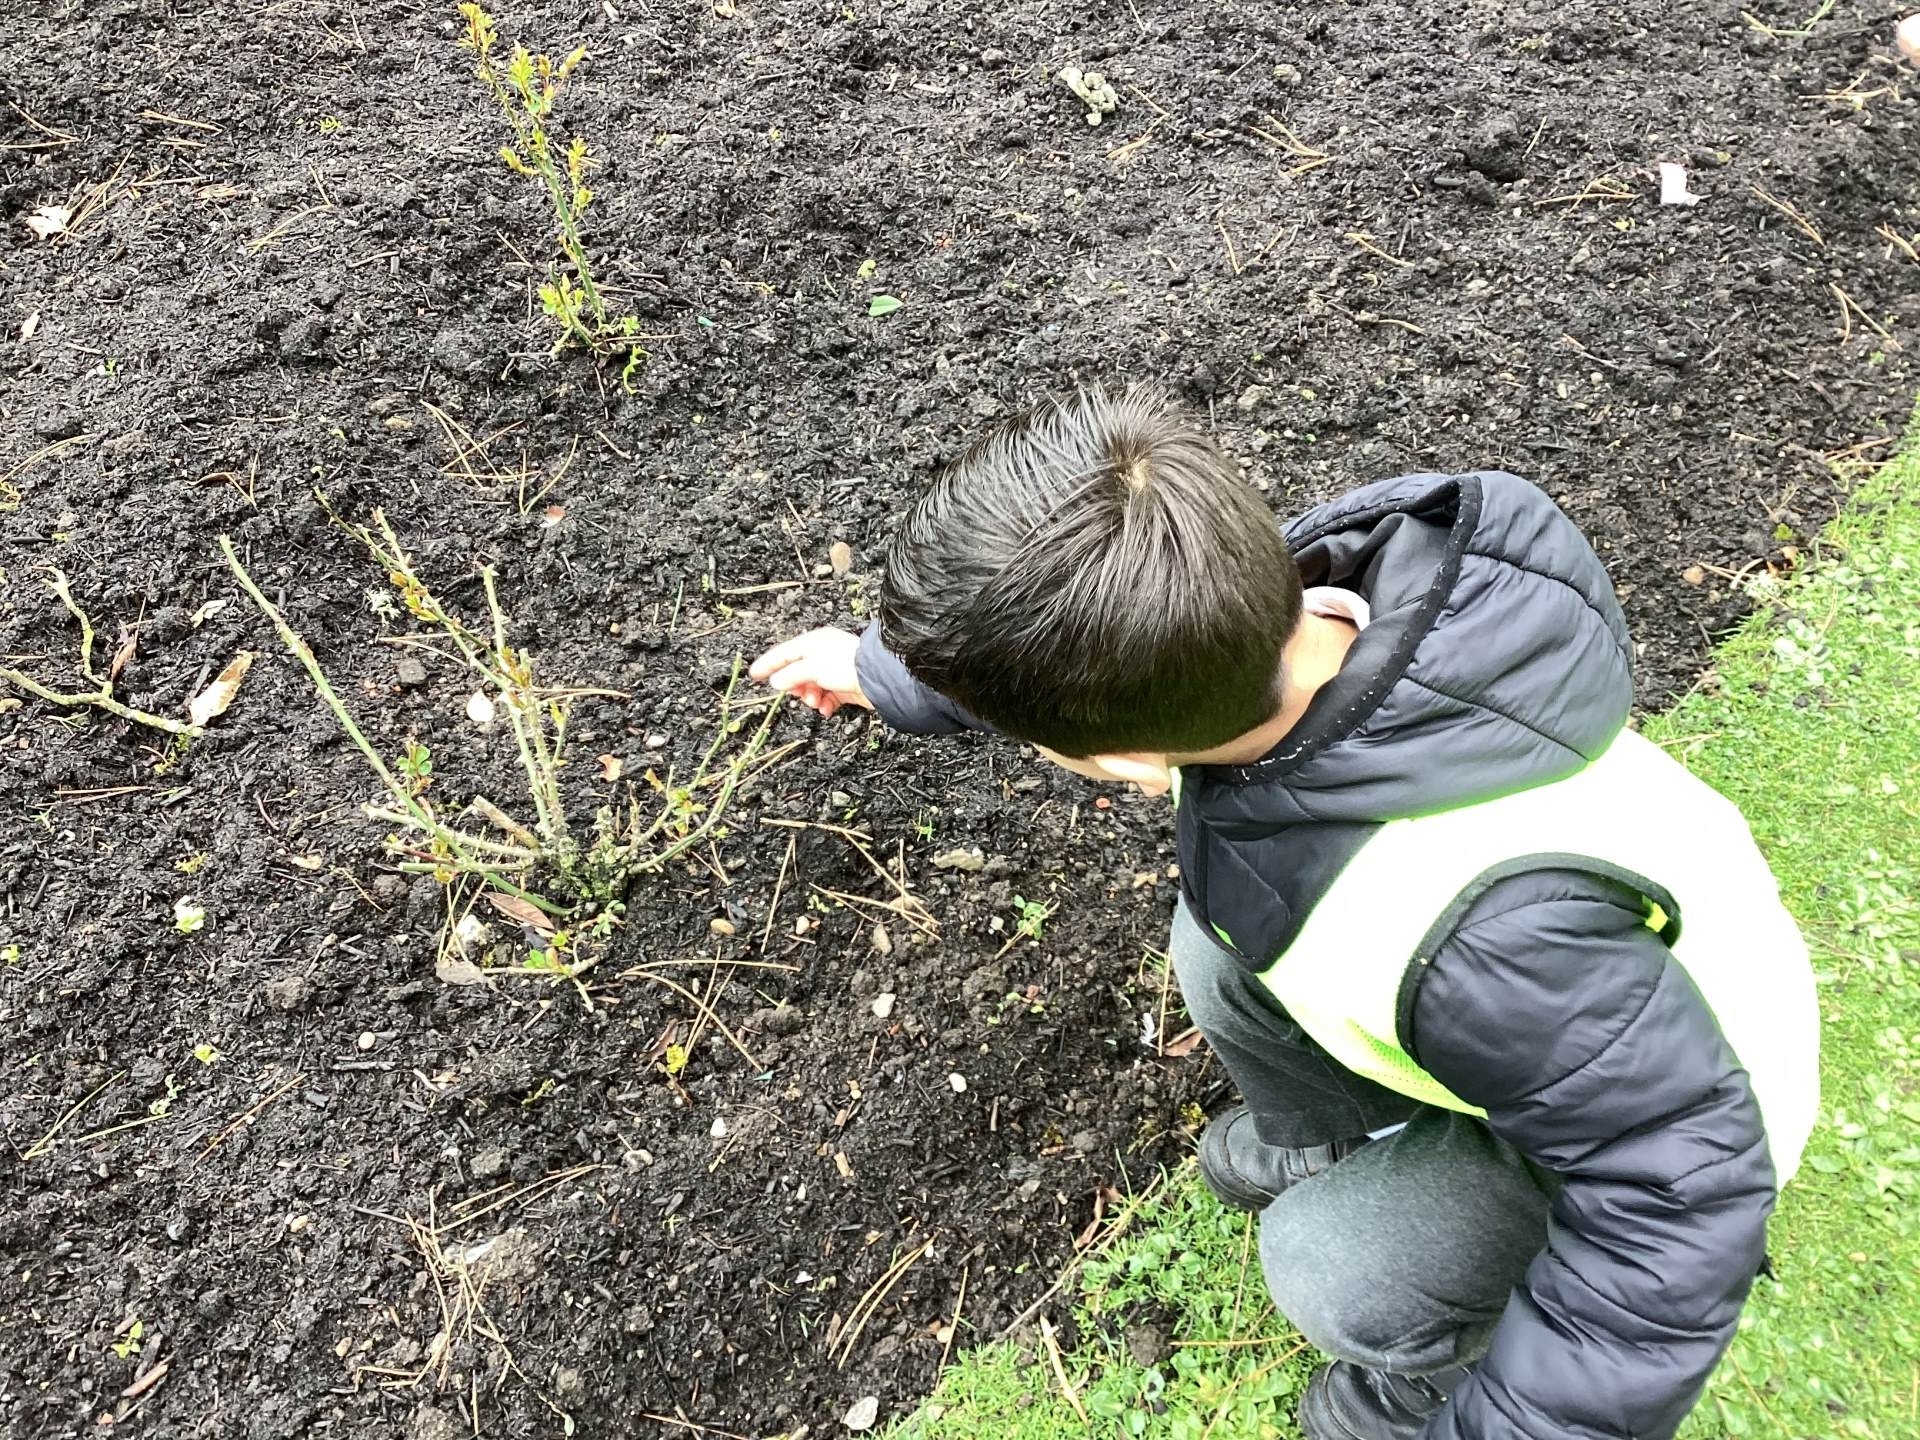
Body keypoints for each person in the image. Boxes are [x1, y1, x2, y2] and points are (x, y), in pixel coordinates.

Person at [750, 388, 1819, 1440]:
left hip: (1666, 1107)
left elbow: (1677, 1200)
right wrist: (882, 671)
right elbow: (1060, 638)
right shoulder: (1288, 595)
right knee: (1213, 949)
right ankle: (1361, 1132)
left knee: (1332, 1268)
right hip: (1535, 1017)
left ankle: (1431, 1375)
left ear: (1126, 762)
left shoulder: (1484, 937)